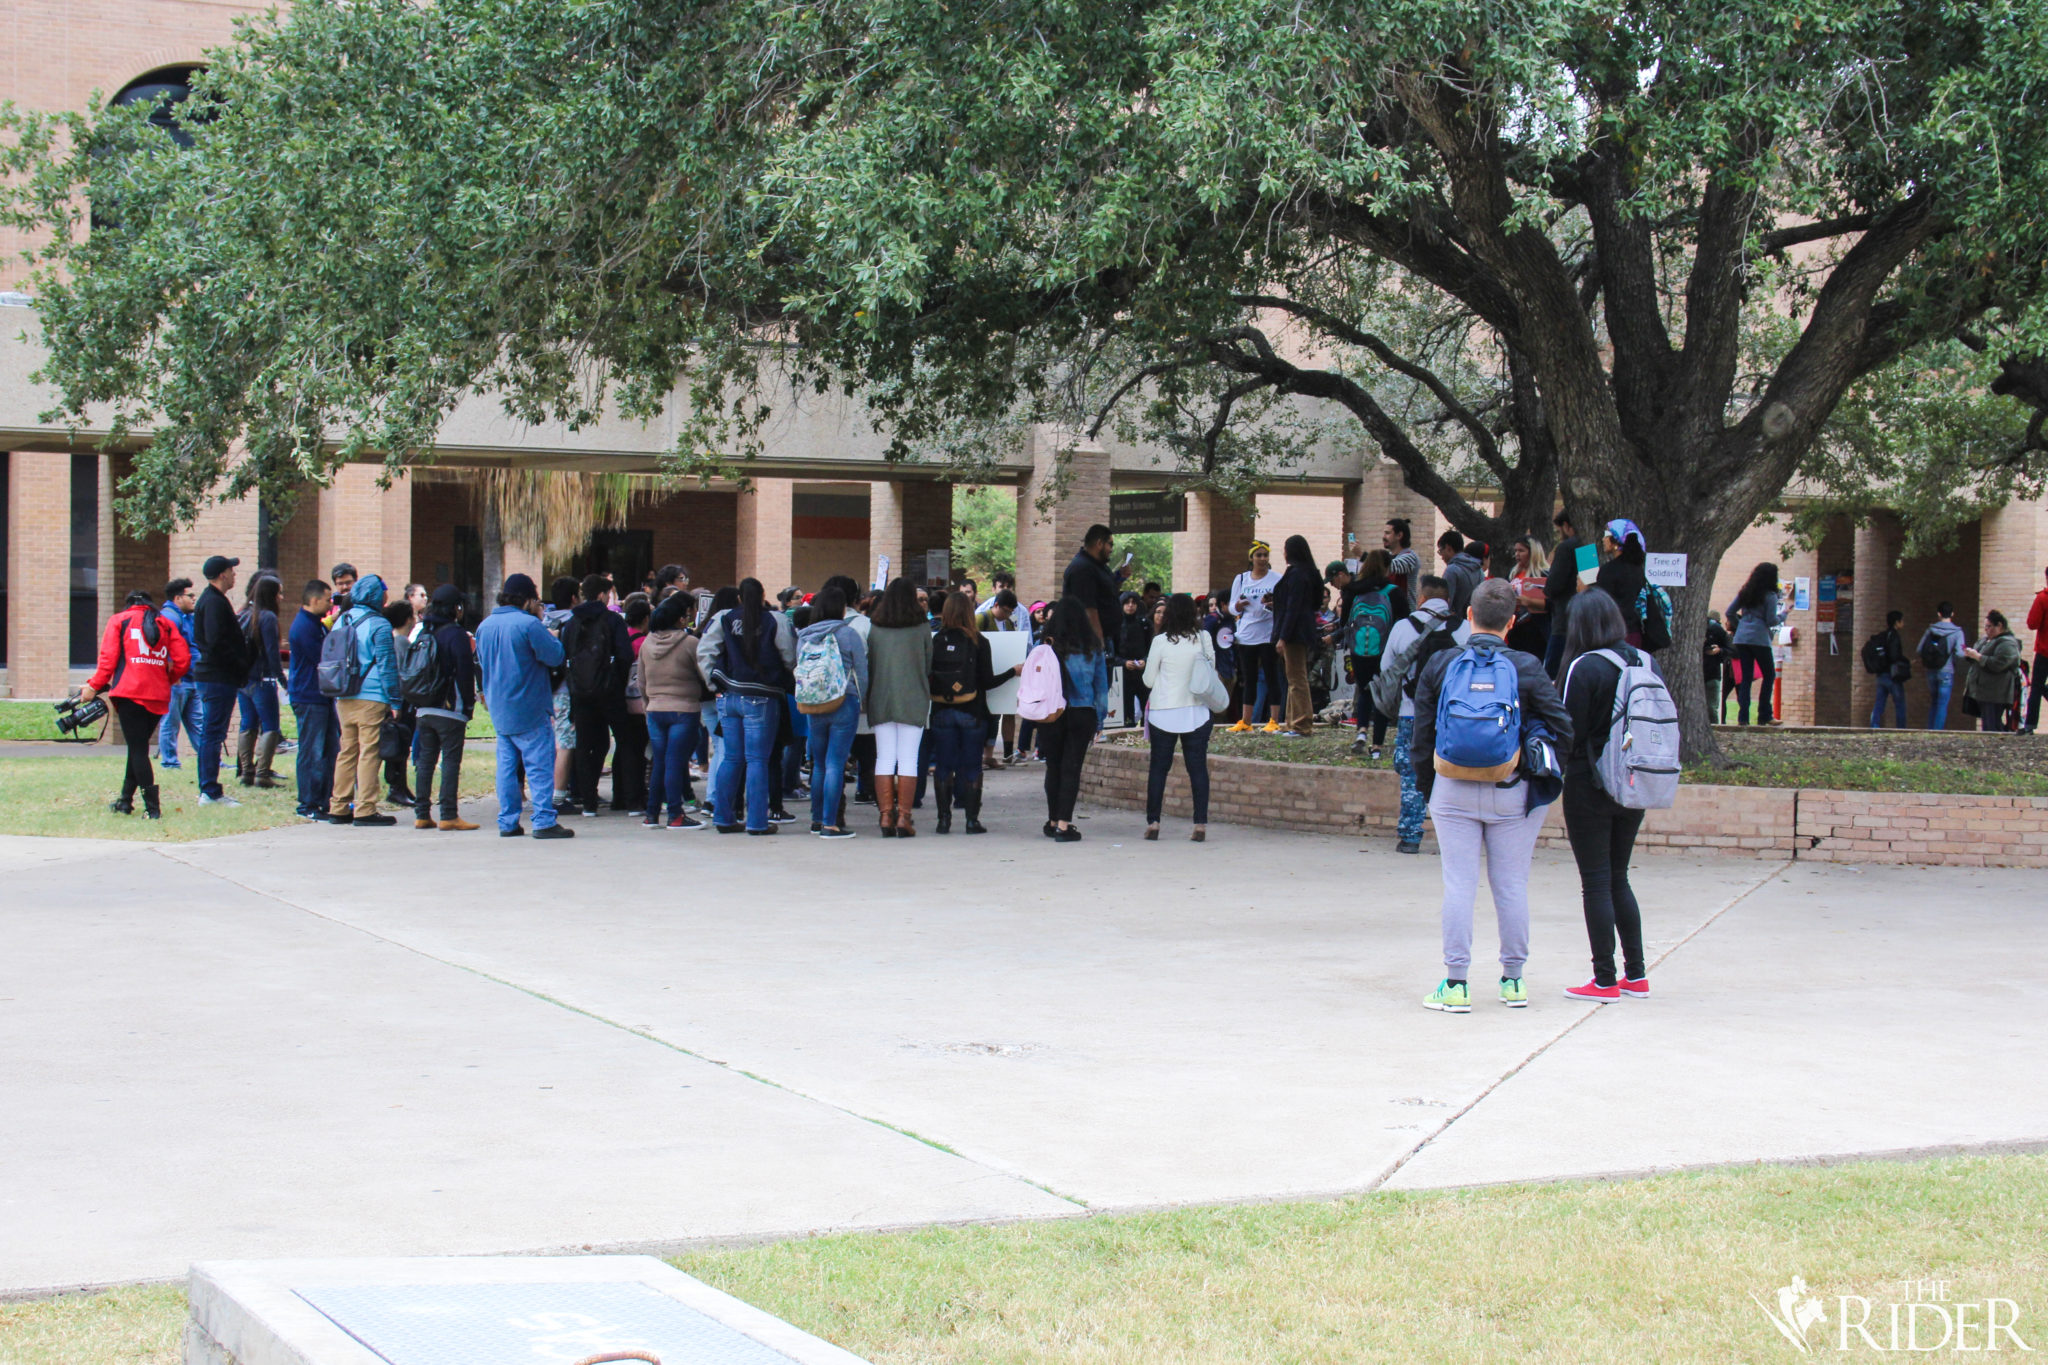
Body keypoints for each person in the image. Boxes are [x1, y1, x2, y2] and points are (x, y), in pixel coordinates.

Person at [1412, 580, 1572, 1013]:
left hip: (1451, 790)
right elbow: (1563, 727)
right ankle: (1514, 981)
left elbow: (1421, 734)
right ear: (1513, 622)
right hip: (1511, 791)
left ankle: (1456, 984)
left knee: (1458, 883)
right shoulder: (1526, 666)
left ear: (1469, 615)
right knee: (1511, 885)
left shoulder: (1442, 662)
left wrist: (1430, 788)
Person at [1556, 587, 1649, 1002]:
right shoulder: (1645, 661)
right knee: (1618, 877)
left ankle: (1604, 979)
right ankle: (1637, 975)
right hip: (1634, 782)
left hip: (1588, 782)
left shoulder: (1584, 666)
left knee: (1594, 881)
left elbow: (1566, 730)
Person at [475, 573, 573, 838]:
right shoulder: (529, 625)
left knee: (507, 767)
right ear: (528, 599)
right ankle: (543, 820)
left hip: (499, 706)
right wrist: (551, 635)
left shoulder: (485, 626)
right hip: (529, 704)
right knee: (539, 765)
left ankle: (507, 821)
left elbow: (482, 663)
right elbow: (555, 657)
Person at [78, 590, 190, 818]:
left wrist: (93, 686)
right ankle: (124, 801)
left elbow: (108, 660)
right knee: (136, 748)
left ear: (128, 605)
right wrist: (165, 679)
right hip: (158, 695)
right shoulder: (165, 623)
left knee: (138, 750)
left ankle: (153, 810)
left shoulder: (120, 620)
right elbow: (183, 659)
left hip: (130, 693)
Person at [1380, 575, 1470, 854]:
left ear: (1421, 597)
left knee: (1411, 773)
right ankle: (1454, 837)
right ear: (1447, 600)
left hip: (1412, 713)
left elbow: (1387, 670)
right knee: (1454, 773)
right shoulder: (1464, 629)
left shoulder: (1402, 627)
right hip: (1453, 717)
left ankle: (1410, 836)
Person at [701, 577, 798, 835]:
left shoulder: (724, 617)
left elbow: (706, 651)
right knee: (758, 760)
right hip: (763, 696)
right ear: (763, 594)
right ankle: (757, 822)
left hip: (729, 695)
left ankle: (723, 817)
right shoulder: (775, 620)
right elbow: (789, 656)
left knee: (732, 758)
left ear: (739, 598)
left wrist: (714, 684)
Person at [926, 590, 1016, 833]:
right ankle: (971, 820)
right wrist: (1012, 672)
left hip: (942, 710)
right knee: (972, 766)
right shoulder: (979, 641)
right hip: (972, 711)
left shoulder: (936, 641)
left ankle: (943, 820)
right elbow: (987, 682)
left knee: (944, 766)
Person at [1141, 592, 1218, 841]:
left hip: (1164, 711)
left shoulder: (1160, 641)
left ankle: (1154, 822)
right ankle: (1200, 824)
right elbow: (1210, 671)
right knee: (1197, 769)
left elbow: (1149, 679)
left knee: (1158, 769)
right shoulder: (1203, 637)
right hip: (1196, 711)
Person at [560, 573, 636, 817]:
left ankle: (588, 802)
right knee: (626, 741)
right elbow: (625, 655)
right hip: (610, 691)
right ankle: (629, 800)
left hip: (580, 693)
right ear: (603, 595)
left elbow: (563, 657)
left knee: (585, 744)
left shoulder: (571, 623)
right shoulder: (613, 621)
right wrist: (618, 681)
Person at [863, 576, 934, 837]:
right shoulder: (922, 626)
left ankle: (885, 816)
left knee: (884, 757)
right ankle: (904, 817)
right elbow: (928, 665)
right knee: (908, 759)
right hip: (913, 697)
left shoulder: (876, 626)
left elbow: (869, 664)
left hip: (881, 697)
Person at [327, 574, 400, 826]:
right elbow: (387, 666)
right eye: (384, 591)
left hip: (344, 693)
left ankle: (338, 806)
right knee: (369, 752)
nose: (387, 596)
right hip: (372, 696)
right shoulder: (379, 625)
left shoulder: (341, 621)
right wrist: (395, 701)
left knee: (347, 751)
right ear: (376, 595)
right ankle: (365, 809)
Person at [794, 585, 867, 838]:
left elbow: (799, 667)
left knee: (820, 764)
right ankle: (830, 824)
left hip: (813, 703)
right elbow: (862, 672)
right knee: (836, 763)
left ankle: (816, 820)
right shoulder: (849, 634)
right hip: (843, 701)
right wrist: (863, 700)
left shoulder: (804, 635)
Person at [410, 584, 479, 831]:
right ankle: (449, 814)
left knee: (426, 761)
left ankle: (422, 814)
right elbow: (464, 671)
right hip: (449, 708)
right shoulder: (456, 634)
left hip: (423, 707)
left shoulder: (423, 632)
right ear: (456, 608)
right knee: (450, 761)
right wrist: (468, 706)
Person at [638, 590, 709, 830]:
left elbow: (641, 681)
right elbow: (705, 675)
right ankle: (676, 815)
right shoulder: (690, 643)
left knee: (660, 761)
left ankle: (651, 814)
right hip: (684, 709)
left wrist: (649, 706)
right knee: (675, 762)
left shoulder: (646, 644)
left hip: (656, 709)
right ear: (680, 619)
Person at [1042, 597, 1108, 842]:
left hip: (1051, 712)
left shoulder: (1046, 645)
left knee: (1053, 766)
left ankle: (1051, 819)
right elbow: (1101, 687)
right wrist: (1100, 720)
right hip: (1082, 711)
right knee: (1072, 768)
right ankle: (1063, 824)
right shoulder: (1092, 648)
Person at [189, 555, 250, 806]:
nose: (235, 575)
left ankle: (209, 788)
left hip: (215, 676)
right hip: (217, 677)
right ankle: (210, 790)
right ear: (222, 574)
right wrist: (238, 663)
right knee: (213, 734)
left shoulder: (212, 600)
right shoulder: (213, 602)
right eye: (231, 571)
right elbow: (216, 642)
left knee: (212, 733)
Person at [1340, 549, 1407, 759]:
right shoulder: (1393, 592)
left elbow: (1344, 623)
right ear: (1387, 568)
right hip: (1384, 649)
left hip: (1359, 649)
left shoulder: (1353, 590)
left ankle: (1361, 731)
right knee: (1381, 695)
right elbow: (1404, 621)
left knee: (1364, 689)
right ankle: (1377, 745)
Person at [286, 579, 337, 821]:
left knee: (329, 748)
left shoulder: (315, 624)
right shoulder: (303, 627)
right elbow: (321, 657)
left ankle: (323, 800)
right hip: (308, 697)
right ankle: (308, 803)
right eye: (327, 599)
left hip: (321, 696)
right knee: (312, 751)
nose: (330, 605)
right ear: (314, 600)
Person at [1225, 541, 1284, 732]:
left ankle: (1274, 720)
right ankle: (1246, 721)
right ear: (1251, 558)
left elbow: (1284, 605)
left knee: (1271, 675)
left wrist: (1272, 603)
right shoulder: (1241, 579)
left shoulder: (1276, 578)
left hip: (1268, 634)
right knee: (1249, 678)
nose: (1262, 559)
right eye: (1258, 555)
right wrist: (1239, 606)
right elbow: (1232, 606)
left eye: (1265, 555)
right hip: (1246, 635)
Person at [234, 572, 286, 788]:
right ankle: (262, 773)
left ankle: (246, 770)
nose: (281, 597)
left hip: (243, 679)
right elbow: (272, 653)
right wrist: (282, 679)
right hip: (263, 679)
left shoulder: (243, 614)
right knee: (271, 725)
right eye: (279, 593)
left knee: (247, 724)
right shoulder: (267, 617)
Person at [1271, 534, 1324, 737]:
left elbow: (1293, 607)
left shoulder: (1297, 575)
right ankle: (1291, 722)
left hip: (1294, 633)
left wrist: (1282, 636)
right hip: (1302, 629)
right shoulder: (1309, 573)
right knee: (1293, 677)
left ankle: (1301, 724)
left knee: (1297, 678)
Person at [1725, 562, 1782, 725]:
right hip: (1760, 639)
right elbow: (1771, 620)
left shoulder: (1745, 592)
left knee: (1746, 678)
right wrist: (1783, 616)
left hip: (1742, 639)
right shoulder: (1770, 596)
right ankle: (1764, 714)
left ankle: (1743, 717)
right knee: (1769, 674)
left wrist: (1740, 625)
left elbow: (1729, 612)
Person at [156, 578, 200, 769]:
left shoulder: (186, 616)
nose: (194, 599)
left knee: (199, 723)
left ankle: (212, 760)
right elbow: (164, 649)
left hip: (192, 678)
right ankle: (170, 762)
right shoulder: (169, 617)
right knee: (171, 723)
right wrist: (174, 676)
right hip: (178, 681)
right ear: (177, 597)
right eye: (190, 595)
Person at [1062, 523, 1129, 648]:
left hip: (1102, 638)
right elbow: (1088, 608)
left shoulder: (1100, 567)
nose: (1111, 549)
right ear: (1099, 543)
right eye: (1110, 544)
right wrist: (1098, 640)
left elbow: (1109, 594)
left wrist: (1120, 577)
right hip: (1086, 642)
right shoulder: (1082, 568)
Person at [1963, 610, 2023, 732]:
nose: (1986, 629)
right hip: (1983, 691)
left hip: (1996, 692)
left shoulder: (2007, 643)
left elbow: (1999, 664)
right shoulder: (1986, 640)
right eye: (1985, 626)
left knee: (1992, 724)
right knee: (1987, 723)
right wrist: (1970, 655)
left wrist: (1978, 657)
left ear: (1999, 626)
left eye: (1989, 626)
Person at [1594, 520, 1649, 645]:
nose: (1603, 539)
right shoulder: (1638, 570)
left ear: (1615, 540)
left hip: (1612, 636)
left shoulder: (1609, 570)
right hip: (1635, 634)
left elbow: (1600, 606)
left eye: (1606, 535)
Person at [1918, 602, 1968, 730]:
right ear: (1952, 614)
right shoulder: (1957, 632)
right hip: (1946, 670)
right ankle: (1937, 730)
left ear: (1939, 614)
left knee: (1934, 701)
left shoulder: (1930, 630)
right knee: (1942, 703)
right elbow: (1960, 653)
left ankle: (1930, 729)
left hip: (1931, 670)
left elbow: (1920, 649)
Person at [1542, 511, 1580, 678]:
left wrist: (1547, 591)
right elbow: (1590, 580)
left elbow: (1553, 585)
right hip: (1582, 617)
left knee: (1553, 672)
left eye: (1559, 531)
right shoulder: (1586, 547)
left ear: (1566, 526)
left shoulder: (1566, 547)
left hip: (1563, 618)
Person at [1111, 590, 1153, 728]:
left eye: (1134, 603)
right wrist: (1123, 663)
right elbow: (1111, 651)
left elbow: (1151, 647)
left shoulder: (1144, 624)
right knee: (1126, 709)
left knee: (1147, 705)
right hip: (1123, 674)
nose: (1130, 606)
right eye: (1127, 603)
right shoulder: (1115, 625)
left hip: (1142, 672)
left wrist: (1145, 660)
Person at [1506, 536, 1551, 657]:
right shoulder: (1513, 574)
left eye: (1521, 551)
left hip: (1535, 631)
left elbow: (1548, 604)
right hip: (1514, 629)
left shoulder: (1542, 574)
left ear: (1533, 553)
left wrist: (1528, 601)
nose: (1517, 554)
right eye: (1515, 551)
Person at [1868, 610, 1911, 729]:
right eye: (1902, 621)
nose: (1903, 623)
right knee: (1899, 703)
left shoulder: (1882, 636)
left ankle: (1874, 725)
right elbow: (1894, 655)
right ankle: (1901, 728)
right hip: (1892, 675)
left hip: (1881, 674)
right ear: (1897, 622)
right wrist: (1906, 661)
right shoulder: (1894, 636)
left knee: (1879, 702)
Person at [1438, 531, 1484, 621]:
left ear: (1448, 548)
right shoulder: (1478, 569)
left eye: (1440, 551)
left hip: (1455, 624)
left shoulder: (1452, 570)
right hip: (1475, 623)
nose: (1441, 556)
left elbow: (1445, 603)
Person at [2025, 566, 2048, 733]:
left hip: (2044, 651)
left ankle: (2030, 725)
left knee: (2037, 688)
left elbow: (2032, 624)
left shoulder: (2042, 599)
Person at [1703, 610, 1732, 723]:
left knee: (1711, 708)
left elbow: (1730, 649)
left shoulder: (1716, 629)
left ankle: (1715, 728)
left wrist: (1719, 651)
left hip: (1712, 673)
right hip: (1698, 674)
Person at [1384, 518, 1420, 603]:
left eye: (1387, 533)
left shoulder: (1410, 557)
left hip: (1404, 612)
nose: (1384, 537)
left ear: (1399, 535)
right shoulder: (1386, 556)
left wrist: (1362, 555)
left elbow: (1392, 567)